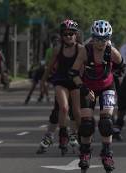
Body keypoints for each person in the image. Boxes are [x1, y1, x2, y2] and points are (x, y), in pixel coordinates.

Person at [70, 20, 123, 173]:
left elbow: (122, 65)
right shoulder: (85, 51)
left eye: (104, 39)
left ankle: (107, 153)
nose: (100, 43)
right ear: (92, 38)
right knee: (86, 125)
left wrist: (118, 76)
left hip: (107, 86)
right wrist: (84, 89)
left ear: (109, 38)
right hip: (88, 87)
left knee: (106, 123)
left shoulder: (112, 51)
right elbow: (72, 73)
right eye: (97, 39)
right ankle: (85, 152)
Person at [37, 18, 82, 156]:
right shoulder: (57, 49)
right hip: (61, 81)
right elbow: (49, 67)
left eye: (71, 33)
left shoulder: (81, 49)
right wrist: (43, 82)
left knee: (77, 112)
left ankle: (75, 135)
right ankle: (63, 136)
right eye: (65, 34)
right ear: (61, 35)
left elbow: (87, 67)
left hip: (75, 82)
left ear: (76, 34)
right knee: (63, 108)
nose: (68, 36)